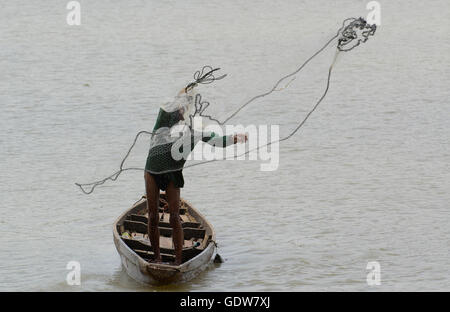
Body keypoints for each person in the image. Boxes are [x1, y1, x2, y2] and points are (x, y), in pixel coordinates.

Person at [144, 86, 247, 265]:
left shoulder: (193, 131)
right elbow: (179, 96)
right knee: (153, 216)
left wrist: (234, 139)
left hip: (173, 174)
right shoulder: (164, 118)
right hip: (152, 171)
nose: (183, 111)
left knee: (175, 216)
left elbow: (216, 140)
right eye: (182, 107)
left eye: (186, 108)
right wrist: (189, 88)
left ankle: (177, 260)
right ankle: (157, 258)